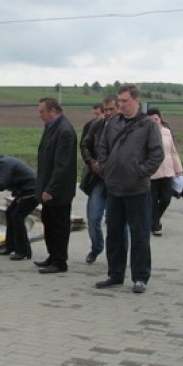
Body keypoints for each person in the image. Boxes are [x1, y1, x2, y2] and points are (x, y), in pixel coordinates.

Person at [94, 84, 164, 293]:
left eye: (125, 101)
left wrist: (140, 172)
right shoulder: (113, 123)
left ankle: (140, 277)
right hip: (114, 188)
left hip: (137, 189)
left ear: (136, 101)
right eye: (120, 101)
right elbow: (102, 147)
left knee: (139, 234)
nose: (121, 104)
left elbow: (157, 154)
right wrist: (105, 167)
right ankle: (115, 274)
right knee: (114, 233)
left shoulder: (147, 125)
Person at [33, 97, 77, 274]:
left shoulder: (64, 131)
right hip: (48, 186)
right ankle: (52, 256)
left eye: (42, 112)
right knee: (49, 222)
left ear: (53, 111)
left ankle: (59, 261)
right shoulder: (51, 127)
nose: (40, 115)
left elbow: (62, 165)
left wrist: (51, 189)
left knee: (59, 225)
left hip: (59, 190)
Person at [0, 153, 39, 260]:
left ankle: (23, 251)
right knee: (9, 213)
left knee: (17, 217)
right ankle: (11, 246)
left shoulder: (2, 164)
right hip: (25, 192)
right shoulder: (1, 163)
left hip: (32, 192)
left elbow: (1, 184)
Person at [80, 96, 117, 263]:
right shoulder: (96, 126)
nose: (108, 113)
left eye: (111, 109)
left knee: (117, 222)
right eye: (106, 110)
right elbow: (84, 145)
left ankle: (117, 254)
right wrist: (91, 162)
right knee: (93, 217)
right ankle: (96, 247)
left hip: (118, 181)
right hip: (98, 179)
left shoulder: (126, 128)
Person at [147, 107, 183, 237]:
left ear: (160, 118)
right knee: (152, 200)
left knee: (166, 199)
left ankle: (153, 219)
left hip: (168, 171)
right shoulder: (146, 133)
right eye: (151, 120)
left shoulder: (167, 132)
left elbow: (173, 151)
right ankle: (156, 225)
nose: (154, 122)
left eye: (156, 119)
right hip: (152, 174)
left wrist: (178, 168)